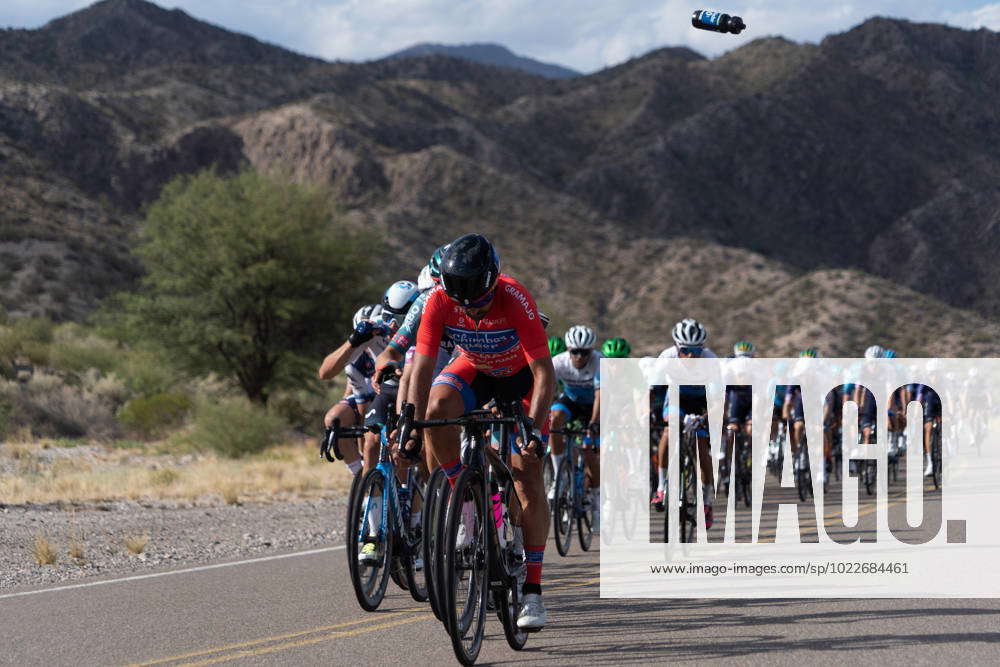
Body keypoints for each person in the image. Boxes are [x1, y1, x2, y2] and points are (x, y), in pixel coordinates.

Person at [405, 234, 555, 630]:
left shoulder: (515, 297)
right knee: (437, 409)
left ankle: (534, 592)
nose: (472, 311)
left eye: (481, 303)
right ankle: (463, 496)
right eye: (463, 306)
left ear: (493, 283)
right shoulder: (438, 298)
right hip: (476, 371)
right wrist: (410, 422)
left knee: (526, 476)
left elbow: (544, 373)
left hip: (520, 380)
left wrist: (534, 431)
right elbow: (422, 368)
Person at [652, 318, 718, 529]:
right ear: (676, 347)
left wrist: (704, 418)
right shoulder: (666, 357)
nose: (690, 356)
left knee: (701, 448)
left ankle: (707, 503)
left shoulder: (711, 361)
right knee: (669, 431)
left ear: (703, 349)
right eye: (685, 350)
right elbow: (651, 391)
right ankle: (661, 486)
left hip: (702, 404)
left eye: (695, 351)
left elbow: (719, 401)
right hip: (677, 398)